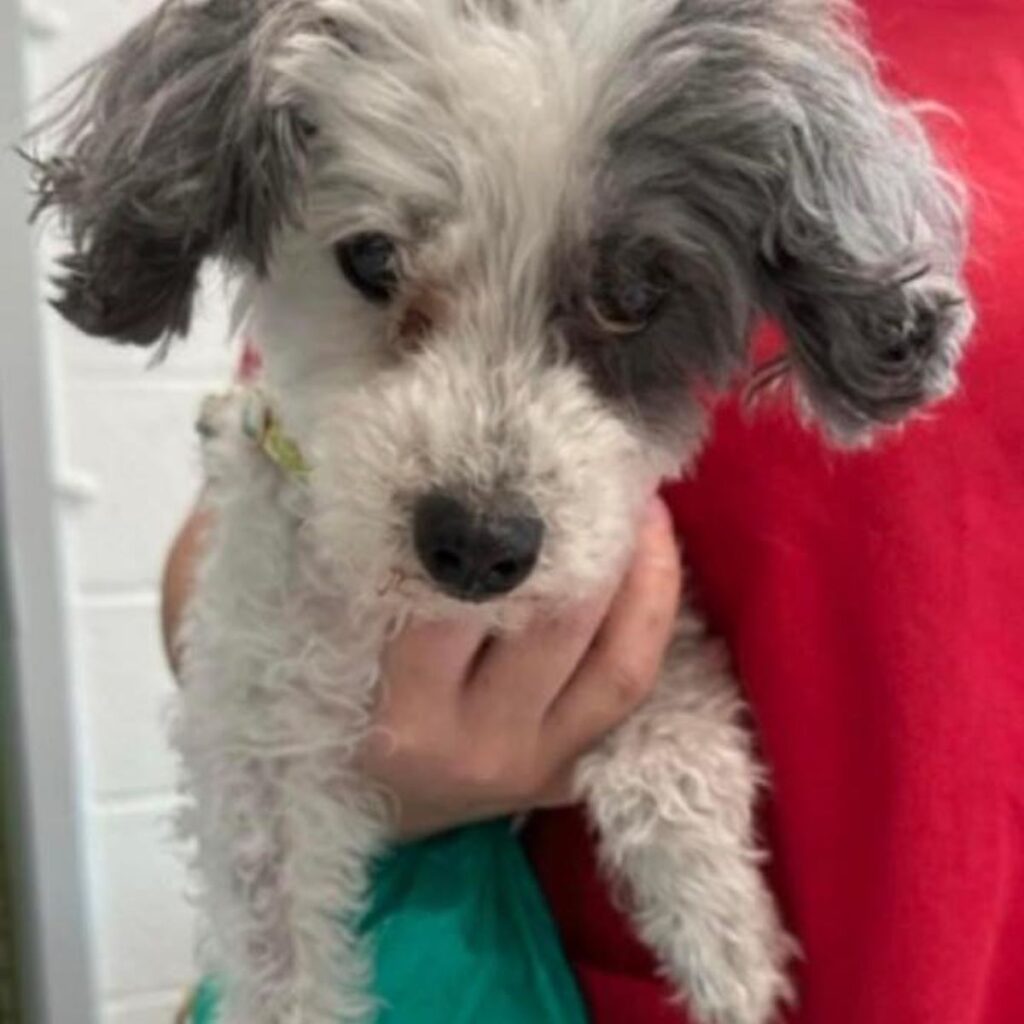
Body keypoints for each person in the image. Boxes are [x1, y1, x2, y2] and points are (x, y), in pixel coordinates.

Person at [165, 1, 1024, 1021]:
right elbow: (260, 472)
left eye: (620, 302)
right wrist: (332, 748)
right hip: (520, 958)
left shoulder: (779, 99)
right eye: (384, 267)